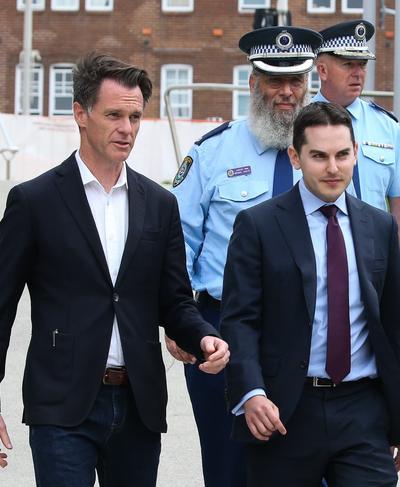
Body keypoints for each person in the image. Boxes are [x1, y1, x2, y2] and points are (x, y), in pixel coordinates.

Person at [0, 53, 229, 486]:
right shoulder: (34, 201)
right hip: (62, 406)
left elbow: (174, 300)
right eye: (114, 115)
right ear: (80, 115)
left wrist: (203, 336)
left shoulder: (160, 205)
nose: (127, 129)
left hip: (139, 405)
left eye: (136, 117)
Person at [220, 102, 400, 486]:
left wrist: (398, 416)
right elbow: (239, 320)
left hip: (362, 409)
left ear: (356, 152)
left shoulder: (380, 226)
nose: (333, 168)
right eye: (319, 156)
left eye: (342, 154)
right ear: (295, 156)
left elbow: (390, 328)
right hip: (286, 410)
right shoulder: (258, 226)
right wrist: (252, 393)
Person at [168, 26, 323, 487]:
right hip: (222, 336)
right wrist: (179, 321)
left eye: (296, 81)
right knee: (228, 470)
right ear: (253, 84)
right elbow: (175, 242)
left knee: (309, 470)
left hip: (308, 338)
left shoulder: (326, 157)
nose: (286, 92)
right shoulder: (212, 153)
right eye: (274, 80)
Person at [314, 20, 400, 310]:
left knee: (383, 351)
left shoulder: (385, 125)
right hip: (315, 262)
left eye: (362, 64)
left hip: (377, 264)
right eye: (348, 64)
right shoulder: (299, 124)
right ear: (322, 70)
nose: (358, 73)